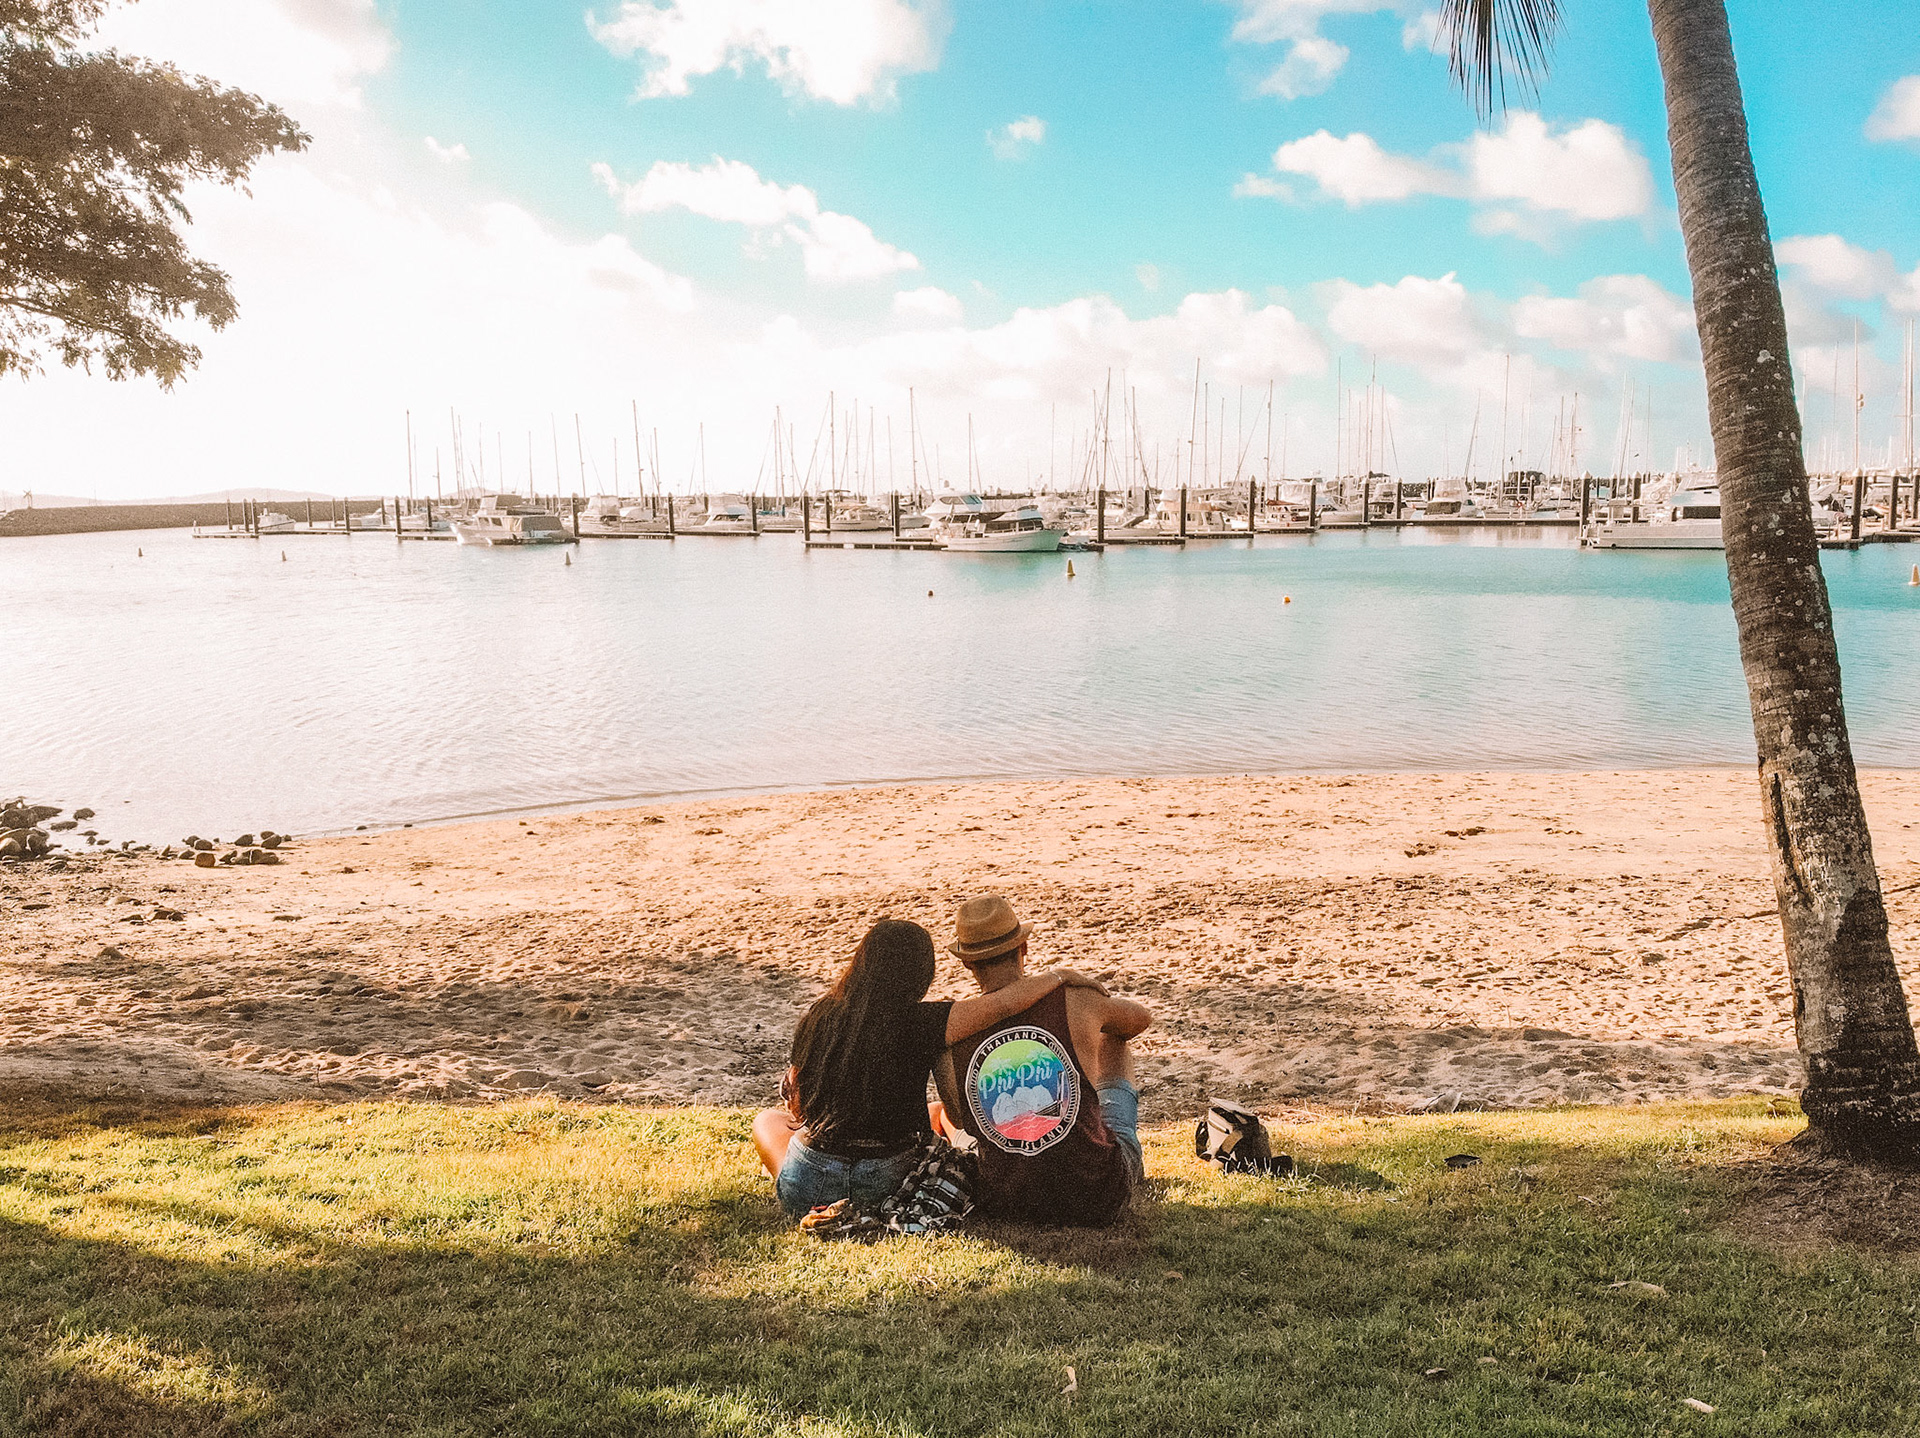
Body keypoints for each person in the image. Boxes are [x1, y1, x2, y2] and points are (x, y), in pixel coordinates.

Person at [753, 916, 1108, 1220]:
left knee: (767, 1121)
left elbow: (797, 1099)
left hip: (809, 1182)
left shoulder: (820, 1015)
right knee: (941, 1115)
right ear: (922, 973)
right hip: (887, 1180)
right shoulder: (924, 1020)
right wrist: (1059, 976)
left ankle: (805, 1192)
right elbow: (1003, 1005)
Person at [930, 895, 1151, 1226]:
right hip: (1099, 1195)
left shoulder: (952, 1031)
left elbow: (962, 1119)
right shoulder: (1074, 998)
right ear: (1024, 949)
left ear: (968, 964)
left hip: (1011, 1205)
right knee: (1113, 1038)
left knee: (950, 1116)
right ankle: (1105, 1144)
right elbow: (1139, 1020)